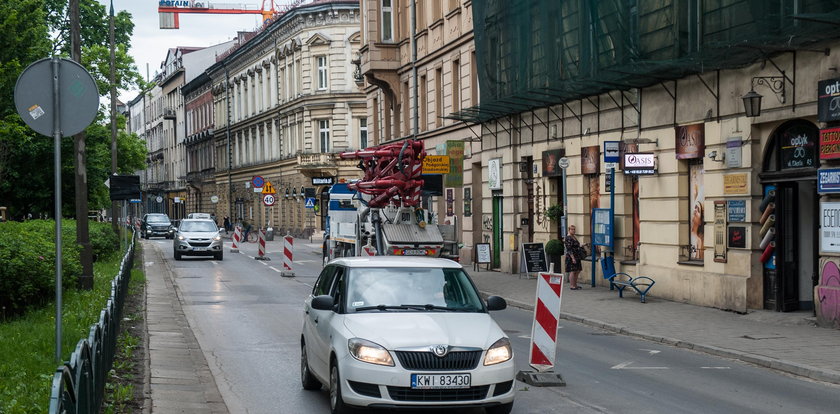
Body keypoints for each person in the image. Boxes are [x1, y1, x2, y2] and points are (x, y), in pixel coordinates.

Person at [564, 225, 585, 290]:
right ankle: (572, 285)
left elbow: (576, 246)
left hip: (577, 256)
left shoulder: (574, 237)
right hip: (571, 256)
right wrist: (572, 258)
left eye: (574, 229)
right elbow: (569, 249)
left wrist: (582, 245)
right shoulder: (568, 238)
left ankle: (575, 284)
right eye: (572, 229)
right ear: (569, 230)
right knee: (572, 271)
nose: (573, 230)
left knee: (577, 270)